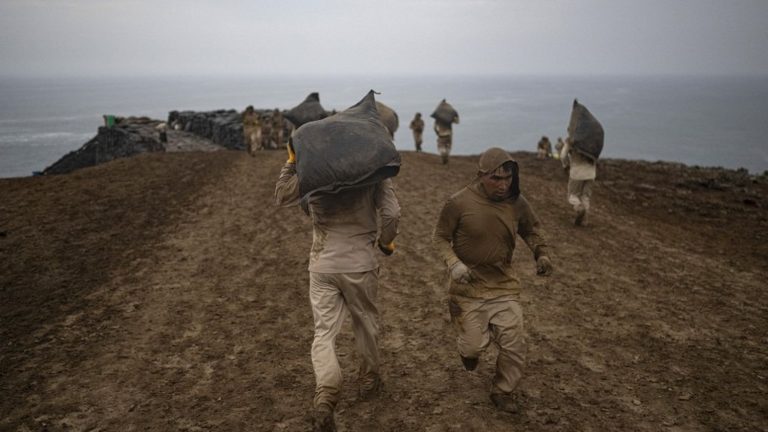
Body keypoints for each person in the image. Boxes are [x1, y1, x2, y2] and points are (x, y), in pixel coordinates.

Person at [275, 142, 401, 431]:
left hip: (322, 265)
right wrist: (385, 242)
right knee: (365, 323)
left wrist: (292, 162)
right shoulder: (374, 168)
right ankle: (369, 381)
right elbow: (392, 213)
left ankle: (326, 397)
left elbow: (282, 195)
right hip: (360, 264)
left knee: (324, 332)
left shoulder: (314, 169)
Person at [433, 147, 553, 413]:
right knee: (472, 348)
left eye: (508, 178)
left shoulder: (516, 202)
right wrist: (454, 264)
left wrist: (541, 254)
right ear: (480, 175)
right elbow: (439, 238)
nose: (503, 185)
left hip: (503, 286)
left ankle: (503, 390)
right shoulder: (458, 202)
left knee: (515, 342)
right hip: (467, 290)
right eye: (496, 178)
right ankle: (468, 352)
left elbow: (532, 230)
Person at [560, 137, 597, 226]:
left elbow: (563, 155)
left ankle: (579, 207)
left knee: (572, 195)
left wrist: (565, 165)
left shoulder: (571, 139)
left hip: (577, 171)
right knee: (585, 196)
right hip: (591, 172)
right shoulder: (591, 140)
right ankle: (585, 221)